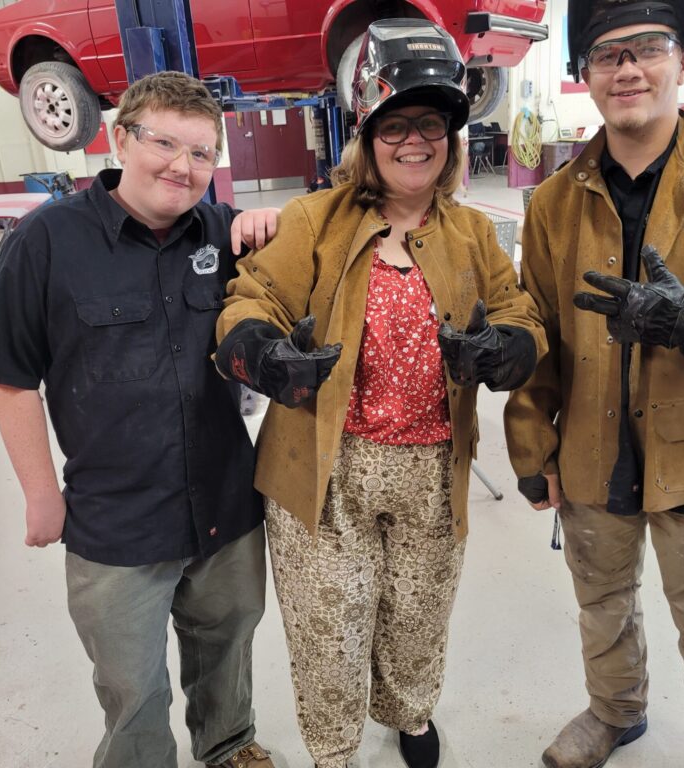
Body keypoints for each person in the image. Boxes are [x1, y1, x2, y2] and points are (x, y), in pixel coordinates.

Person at [214, 18, 547, 768]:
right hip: (327, 473)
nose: (414, 141)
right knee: (328, 625)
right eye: (396, 124)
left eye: (430, 124)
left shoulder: (469, 235)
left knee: (417, 616)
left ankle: (410, 715)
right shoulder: (315, 219)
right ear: (367, 132)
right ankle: (334, 750)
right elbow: (251, 298)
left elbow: (520, 309)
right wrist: (263, 355)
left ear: (452, 138)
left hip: (432, 470)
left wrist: (509, 345)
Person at [504, 2, 684, 767]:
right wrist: (531, 451)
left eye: (646, 48)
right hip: (591, 451)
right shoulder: (552, 202)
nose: (627, 70)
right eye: (606, 55)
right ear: (584, 76)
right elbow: (539, 330)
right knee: (602, 606)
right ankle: (615, 711)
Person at [0, 71, 279, 768]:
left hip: (224, 505)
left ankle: (229, 743)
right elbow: (10, 379)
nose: (182, 168)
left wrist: (276, 226)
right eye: (164, 143)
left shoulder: (225, 233)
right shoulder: (45, 243)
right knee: (133, 683)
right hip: (116, 523)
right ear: (120, 138)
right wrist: (41, 495)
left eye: (202, 153)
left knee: (227, 647)